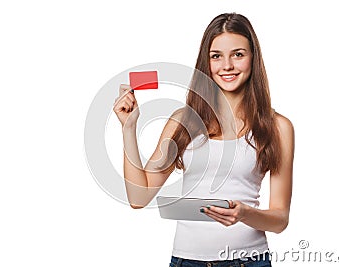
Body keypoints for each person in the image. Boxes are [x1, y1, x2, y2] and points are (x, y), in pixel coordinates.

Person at [113, 13, 294, 267]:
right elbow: (138, 198)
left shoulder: (278, 127)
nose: (227, 65)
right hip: (188, 261)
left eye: (238, 54)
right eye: (216, 56)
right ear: (206, 63)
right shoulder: (183, 121)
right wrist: (128, 128)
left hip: (249, 260)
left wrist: (245, 213)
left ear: (253, 58)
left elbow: (280, 219)